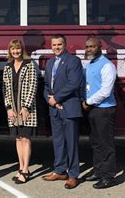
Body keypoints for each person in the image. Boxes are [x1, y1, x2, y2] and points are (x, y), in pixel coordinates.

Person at [42, 34, 83, 189]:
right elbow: (46, 85)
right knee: (58, 142)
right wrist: (49, 99)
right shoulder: (50, 62)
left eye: (59, 44)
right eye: (54, 45)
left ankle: (73, 175)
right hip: (54, 109)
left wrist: (57, 98)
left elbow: (74, 83)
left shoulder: (73, 61)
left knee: (71, 143)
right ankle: (60, 170)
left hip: (69, 108)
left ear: (65, 45)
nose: (56, 47)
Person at [82, 37, 117, 189]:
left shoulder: (107, 65)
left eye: (92, 46)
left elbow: (105, 91)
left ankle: (108, 177)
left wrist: (88, 102)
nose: (89, 49)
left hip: (104, 109)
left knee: (105, 144)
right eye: (87, 47)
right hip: (93, 109)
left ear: (100, 47)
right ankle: (98, 171)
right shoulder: (90, 65)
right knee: (96, 142)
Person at [2, 39, 38, 184]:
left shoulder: (29, 65)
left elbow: (33, 85)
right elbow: (5, 89)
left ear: (21, 50)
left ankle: (25, 169)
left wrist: (26, 107)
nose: (15, 51)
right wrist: (8, 108)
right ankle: (20, 167)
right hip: (13, 109)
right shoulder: (8, 67)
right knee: (18, 138)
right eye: (13, 49)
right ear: (9, 51)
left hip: (25, 108)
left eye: (17, 49)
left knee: (25, 138)